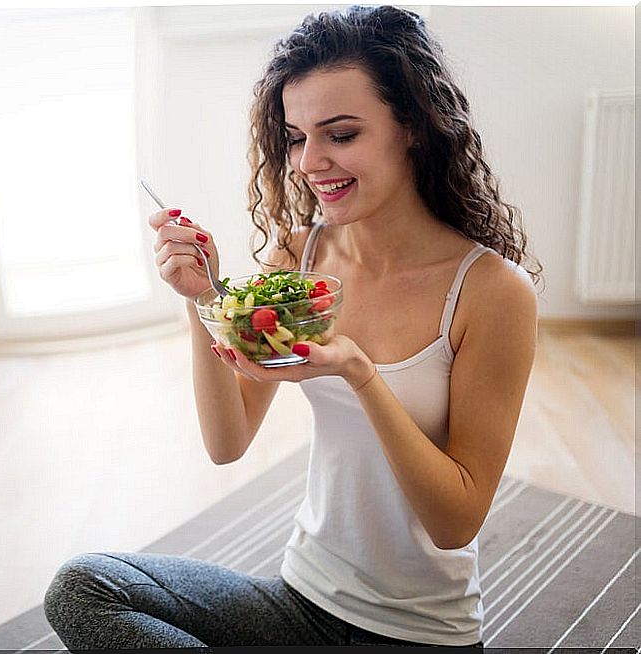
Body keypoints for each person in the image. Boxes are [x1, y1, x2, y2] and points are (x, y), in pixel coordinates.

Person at [43, 4, 542, 649]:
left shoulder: (492, 291)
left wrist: (358, 372)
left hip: (417, 634)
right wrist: (206, 301)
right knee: (84, 588)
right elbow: (227, 441)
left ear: (414, 127)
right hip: (302, 598)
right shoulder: (300, 257)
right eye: (297, 137)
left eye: (341, 134)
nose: (311, 162)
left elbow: (457, 521)